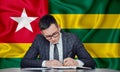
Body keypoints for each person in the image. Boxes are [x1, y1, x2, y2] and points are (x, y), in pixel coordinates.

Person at [21, 14, 96, 69]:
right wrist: (47, 63)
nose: (53, 39)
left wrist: (76, 62)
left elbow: (91, 62)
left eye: (55, 34)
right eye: (48, 36)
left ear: (59, 27)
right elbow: (24, 62)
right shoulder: (39, 39)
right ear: (42, 34)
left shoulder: (73, 38)